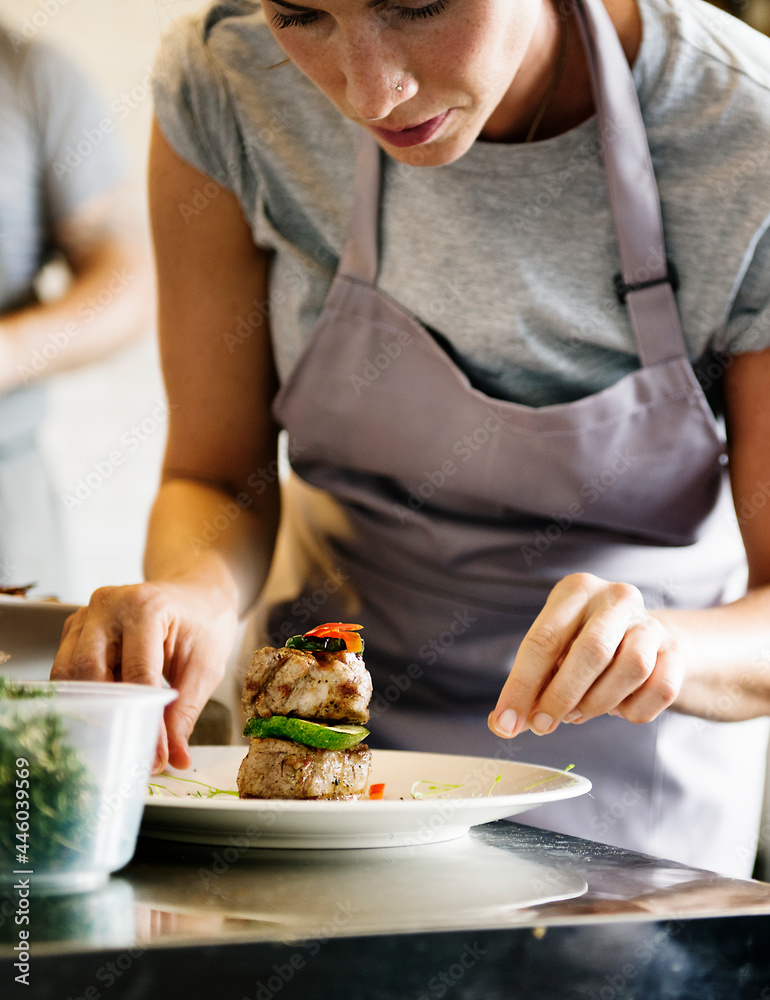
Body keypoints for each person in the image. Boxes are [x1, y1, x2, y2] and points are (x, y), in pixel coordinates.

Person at [51, 0, 770, 876]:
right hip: (319, 786)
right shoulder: (231, 83)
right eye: (302, 14)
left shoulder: (745, 129)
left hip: (627, 803)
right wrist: (194, 591)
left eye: (419, 3)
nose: (370, 89)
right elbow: (212, 474)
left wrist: (661, 649)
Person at [0, 25, 151, 597]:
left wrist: (8, 350)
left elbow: (128, 284)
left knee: (22, 686)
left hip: (5, 491)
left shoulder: (31, 76)